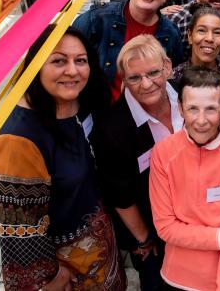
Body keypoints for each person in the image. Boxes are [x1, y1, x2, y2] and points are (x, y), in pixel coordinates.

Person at [0, 25, 126, 290]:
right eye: (59, 61)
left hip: (102, 257)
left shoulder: (84, 102)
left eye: (80, 61)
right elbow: (18, 230)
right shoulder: (17, 140)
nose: (72, 70)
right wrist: (49, 276)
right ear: (36, 65)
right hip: (66, 274)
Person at [149, 67, 220, 291]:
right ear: (180, 108)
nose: (201, 120)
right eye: (192, 109)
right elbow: (165, 227)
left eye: (210, 109)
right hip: (178, 278)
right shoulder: (163, 153)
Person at [93, 35, 182, 291]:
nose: (146, 84)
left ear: (167, 66)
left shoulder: (187, 95)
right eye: (134, 77)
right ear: (124, 79)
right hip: (152, 228)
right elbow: (119, 192)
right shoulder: (112, 128)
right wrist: (144, 238)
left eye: (153, 72)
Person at [73, 0, 183, 100]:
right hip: (99, 108)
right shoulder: (99, 18)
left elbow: (173, 75)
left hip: (144, 112)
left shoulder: (171, 32)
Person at [172, 6, 220, 82]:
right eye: (202, 30)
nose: (209, 38)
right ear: (190, 36)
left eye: (217, 32)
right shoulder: (174, 79)